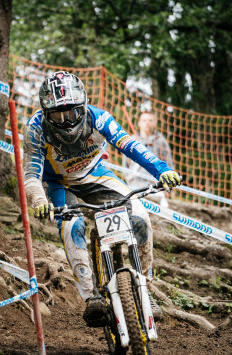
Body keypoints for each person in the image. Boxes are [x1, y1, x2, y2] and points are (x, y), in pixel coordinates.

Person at [22, 71, 181, 326]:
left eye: (72, 113)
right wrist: (39, 201)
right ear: (45, 112)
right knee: (72, 227)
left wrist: (162, 170)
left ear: (83, 106)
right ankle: (91, 297)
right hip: (59, 184)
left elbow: (130, 145)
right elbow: (31, 172)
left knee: (140, 218)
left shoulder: (99, 118)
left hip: (96, 175)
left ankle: (145, 290)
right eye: (57, 115)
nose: (65, 121)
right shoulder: (35, 129)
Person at [122, 109, 174, 209]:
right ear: (139, 123)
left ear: (154, 123)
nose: (147, 123)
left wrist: (167, 187)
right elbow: (126, 164)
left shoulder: (161, 141)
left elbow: (168, 164)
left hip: (154, 187)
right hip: (134, 185)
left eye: (150, 120)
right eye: (144, 120)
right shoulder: (131, 140)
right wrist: (129, 178)